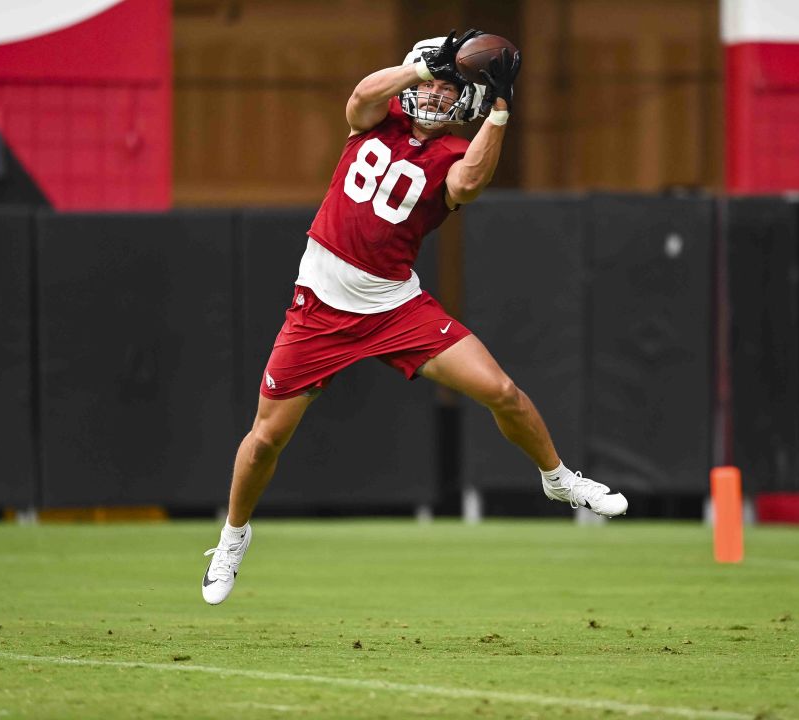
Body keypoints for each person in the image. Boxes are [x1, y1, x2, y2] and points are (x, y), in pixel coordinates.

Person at [202, 30, 627, 605]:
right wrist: (419, 67)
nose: (435, 94)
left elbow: (469, 184)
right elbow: (359, 96)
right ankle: (233, 537)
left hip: (394, 306)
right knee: (265, 441)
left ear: (465, 104)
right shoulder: (375, 120)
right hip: (320, 308)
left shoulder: (454, 152)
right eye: (431, 83)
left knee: (500, 390)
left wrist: (499, 106)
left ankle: (557, 479)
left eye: (449, 88)